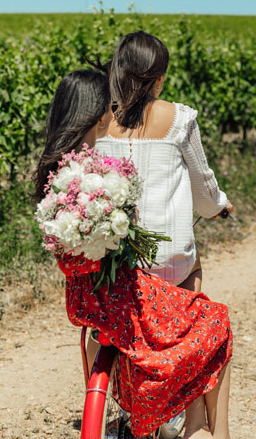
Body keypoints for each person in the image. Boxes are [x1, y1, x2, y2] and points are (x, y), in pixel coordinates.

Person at [33, 69, 256, 439]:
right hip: (120, 294)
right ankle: (209, 437)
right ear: (92, 112)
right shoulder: (97, 172)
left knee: (189, 322)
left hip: (87, 298)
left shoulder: (57, 172)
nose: (111, 111)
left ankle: (191, 431)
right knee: (211, 321)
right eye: (106, 105)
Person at [95, 30, 232, 293]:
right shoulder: (180, 119)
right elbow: (203, 189)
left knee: (106, 321)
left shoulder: (101, 123)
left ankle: (100, 335)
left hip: (115, 260)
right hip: (168, 262)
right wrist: (220, 205)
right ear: (159, 80)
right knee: (191, 263)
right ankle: (181, 324)